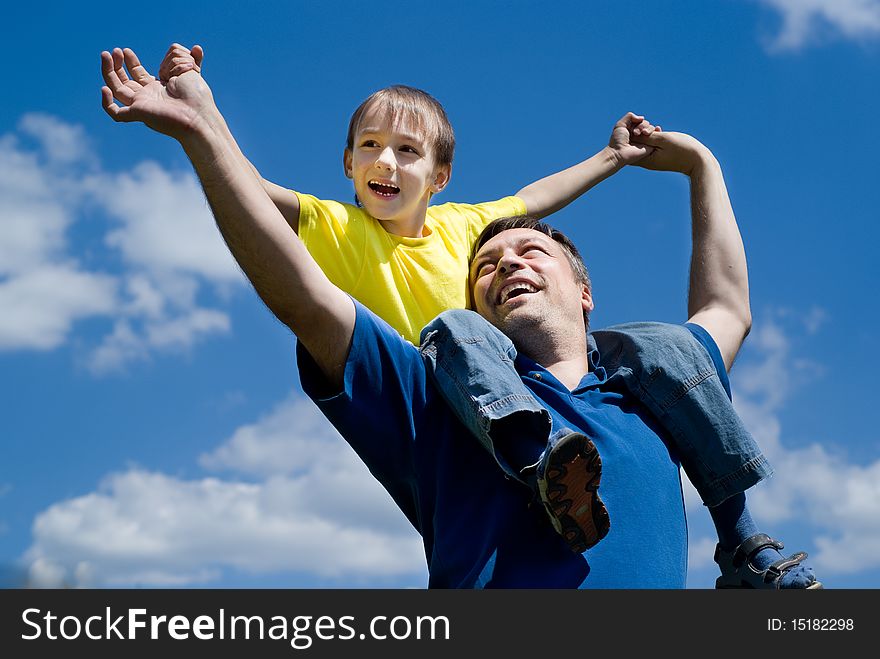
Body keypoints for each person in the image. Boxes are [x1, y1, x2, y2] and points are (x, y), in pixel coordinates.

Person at [100, 45, 822, 588]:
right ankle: (532, 453)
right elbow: (289, 273)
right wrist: (201, 119)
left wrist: (694, 164)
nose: (505, 261)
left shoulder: (648, 394)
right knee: (452, 333)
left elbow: (723, 306)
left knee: (665, 344)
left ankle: (744, 542)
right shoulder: (427, 386)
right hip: (467, 413)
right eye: (487, 266)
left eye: (532, 253)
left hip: (558, 385)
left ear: (584, 289)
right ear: (348, 163)